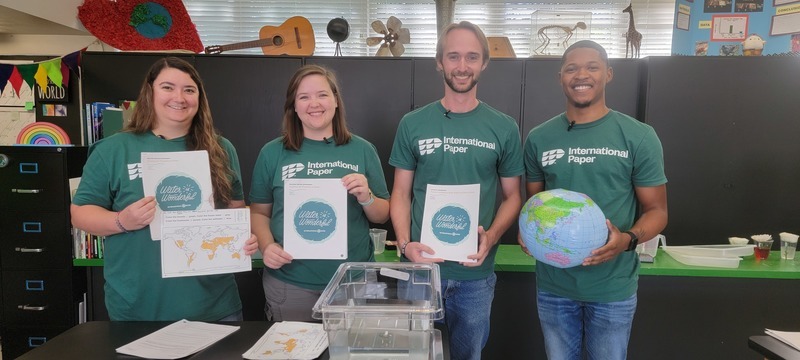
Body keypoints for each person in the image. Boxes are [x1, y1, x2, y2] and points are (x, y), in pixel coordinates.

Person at [71, 57, 258, 321]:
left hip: (214, 305)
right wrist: (121, 221)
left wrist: (243, 237)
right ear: (150, 92)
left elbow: (235, 211)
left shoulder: (221, 149)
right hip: (138, 307)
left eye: (189, 90)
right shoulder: (114, 149)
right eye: (168, 87)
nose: (179, 97)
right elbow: (80, 213)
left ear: (199, 98)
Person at [522, 40, 668, 360]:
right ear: (560, 77)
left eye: (592, 67)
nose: (581, 75)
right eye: (571, 68)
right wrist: (528, 231)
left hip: (612, 289)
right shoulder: (539, 138)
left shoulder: (638, 136)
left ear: (609, 74)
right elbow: (533, 204)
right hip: (554, 287)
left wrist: (627, 240)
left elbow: (657, 211)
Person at [389, 21, 523, 360]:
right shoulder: (413, 123)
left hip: (474, 275)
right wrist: (405, 244)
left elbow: (513, 197)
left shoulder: (503, 127)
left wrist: (491, 236)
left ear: (484, 64)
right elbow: (401, 193)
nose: (462, 66)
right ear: (439, 62)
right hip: (421, 272)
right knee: (416, 356)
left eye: (472, 57)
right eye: (453, 56)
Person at [249, 64, 390, 322]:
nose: (314, 103)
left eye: (322, 95)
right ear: (293, 105)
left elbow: (381, 215)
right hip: (290, 283)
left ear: (336, 100)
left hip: (352, 283)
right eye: (304, 97)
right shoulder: (272, 153)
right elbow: (259, 212)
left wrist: (366, 196)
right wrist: (267, 246)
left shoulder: (362, 150)